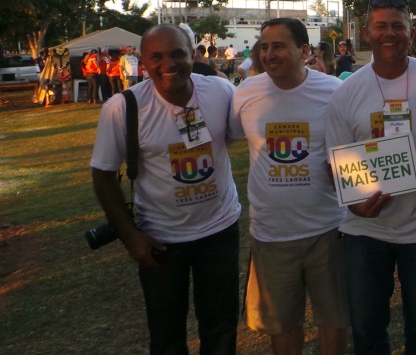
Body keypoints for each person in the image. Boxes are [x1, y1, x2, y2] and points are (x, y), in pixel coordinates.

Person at [89, 23, 241, 355]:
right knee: (167, 333)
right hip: (160, 239)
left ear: (192, 54)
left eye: (177, 54)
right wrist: (131, 237)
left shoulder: (220, 92)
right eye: (156, 56)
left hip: (219, 230)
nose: (168, 64)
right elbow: (103, 175)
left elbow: (235, 136)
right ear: (142, 61)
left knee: (221, 328)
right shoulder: (124, 107)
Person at [325, 0, 416, 355]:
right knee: (366, 330)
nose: (390, 33)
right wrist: (355, 207)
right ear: (366, 33)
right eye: (381, 26)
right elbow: (335, 162)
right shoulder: (346, 93)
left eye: (399, 26)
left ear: (412, 34)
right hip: (365, 232)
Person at [229, 18, 348, 355]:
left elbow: (350, 147)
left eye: (279, 46)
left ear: (304, 51)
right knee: (282, 324)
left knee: (334, 319)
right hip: (271, 234)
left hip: (329, 229)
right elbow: (229, 137)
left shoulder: (333, 91)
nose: (269, 54)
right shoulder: (245, 93)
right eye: (264, 47)